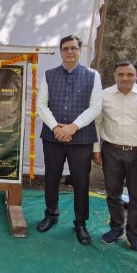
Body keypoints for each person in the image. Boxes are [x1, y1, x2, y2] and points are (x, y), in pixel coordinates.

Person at [36, 35, 102, 245]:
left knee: (81, 181)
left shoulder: (93, 75)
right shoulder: (48, 75)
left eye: (74, 48)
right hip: (53, 136)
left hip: (81, 138)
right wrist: (56, 127)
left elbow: (95, 107)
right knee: (51, 177)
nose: (70, 52)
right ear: (61, 51)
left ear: (80, 50)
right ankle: (50, 215)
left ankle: (80, 223)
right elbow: (41, 105)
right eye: (66, 48)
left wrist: (73, 127)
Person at [93, 60, 137, 255]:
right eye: (121, 74)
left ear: (136, 75)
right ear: (114, 76)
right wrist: (96, 149)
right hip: (111, 150)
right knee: (113, 193)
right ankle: (115, 229)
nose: (125, 78)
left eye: (129, 74)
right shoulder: (104, 96)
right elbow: (98, 123)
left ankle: (134, 237)